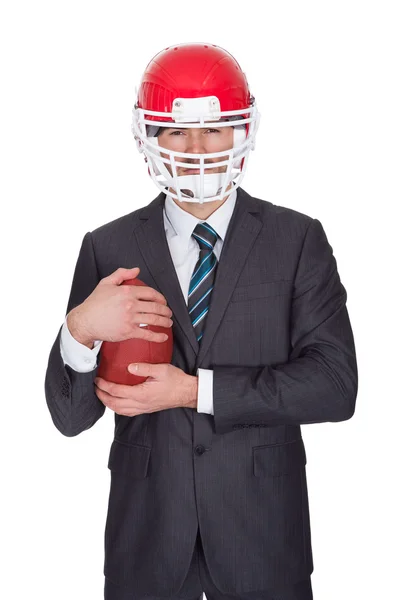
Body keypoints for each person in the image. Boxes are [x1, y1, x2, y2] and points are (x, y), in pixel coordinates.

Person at [44, 43, 358, 600]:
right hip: (147, 542)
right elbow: (70, 419)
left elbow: (335, 388)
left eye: (213, 131)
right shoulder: (107, 245)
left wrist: (194, 391)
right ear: (149, 139)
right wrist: (80, 330)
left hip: (262, 535)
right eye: (176, 133)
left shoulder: (297, 239)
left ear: (242, 133)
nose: (195, 150)